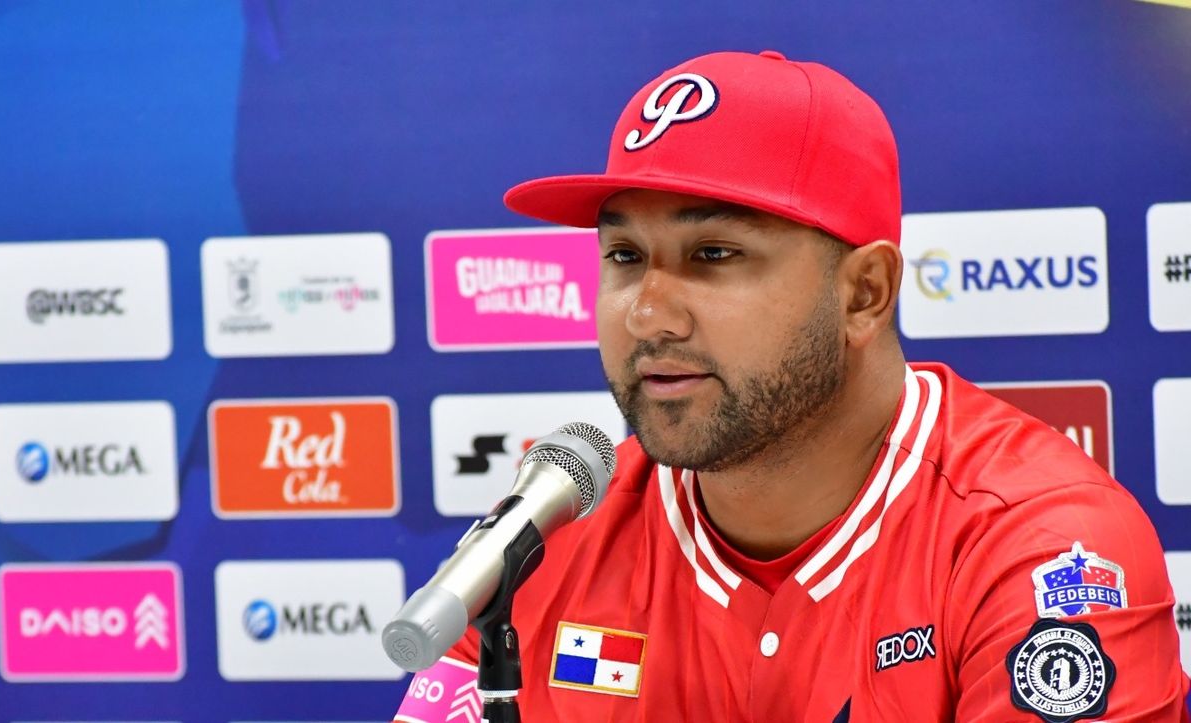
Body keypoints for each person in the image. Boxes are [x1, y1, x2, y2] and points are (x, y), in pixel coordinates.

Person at [394, 50, 1189, 722]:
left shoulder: (1043, 546)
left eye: (713, 255)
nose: (647, 314)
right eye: (625, 256)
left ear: (865, 293)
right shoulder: (545, 545)